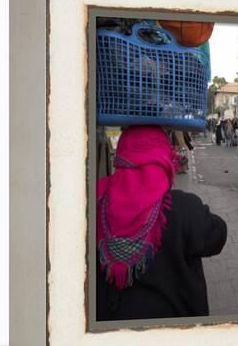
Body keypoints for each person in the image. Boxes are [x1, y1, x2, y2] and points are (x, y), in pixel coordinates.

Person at [96, 125, 227, 320]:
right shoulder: (182, 207)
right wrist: (199, 209)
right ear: (164, 158)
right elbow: (217, 235)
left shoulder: (95, 201)